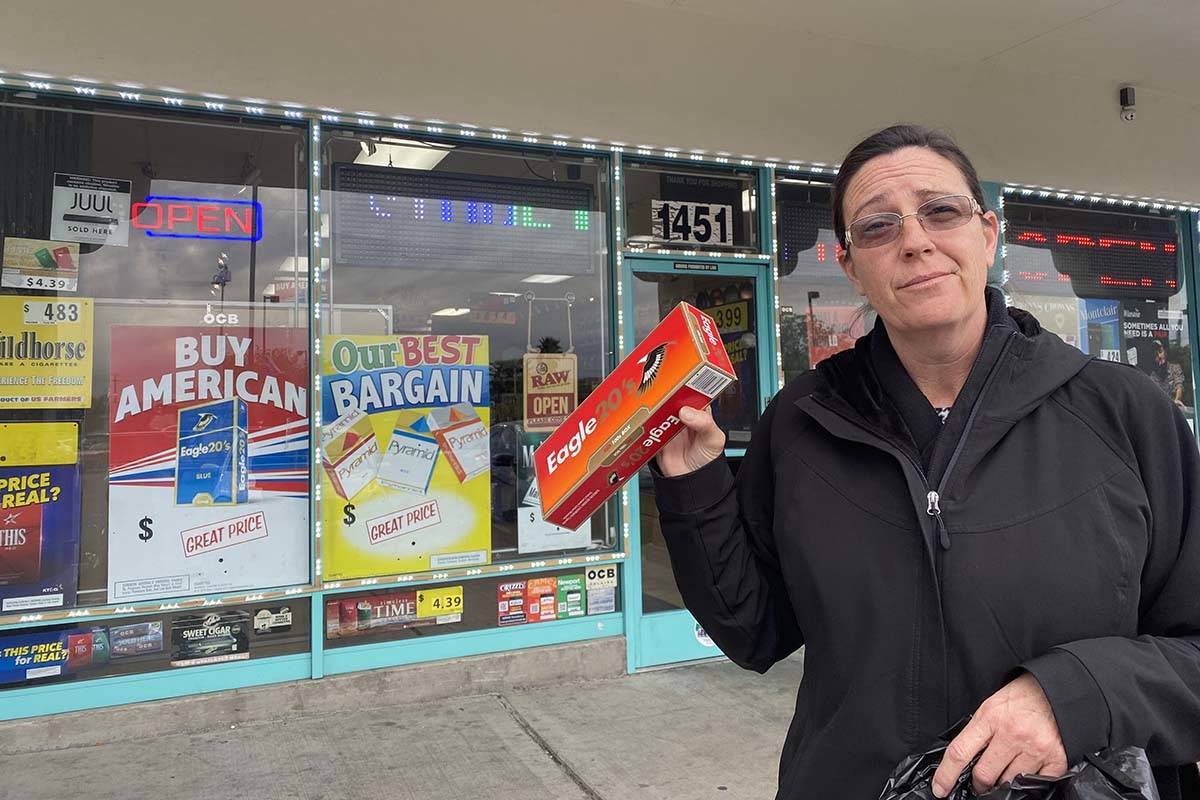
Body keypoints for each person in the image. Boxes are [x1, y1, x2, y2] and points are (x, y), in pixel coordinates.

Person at [652, 124, 1200, 799]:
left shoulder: (1126, 414)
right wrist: (693, 480)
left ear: (988, 233)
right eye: (878, 227)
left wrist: (1076, 695)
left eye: (941, 211)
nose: (915, 240)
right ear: (851, 266)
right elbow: (751, 630)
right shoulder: (801, 421)